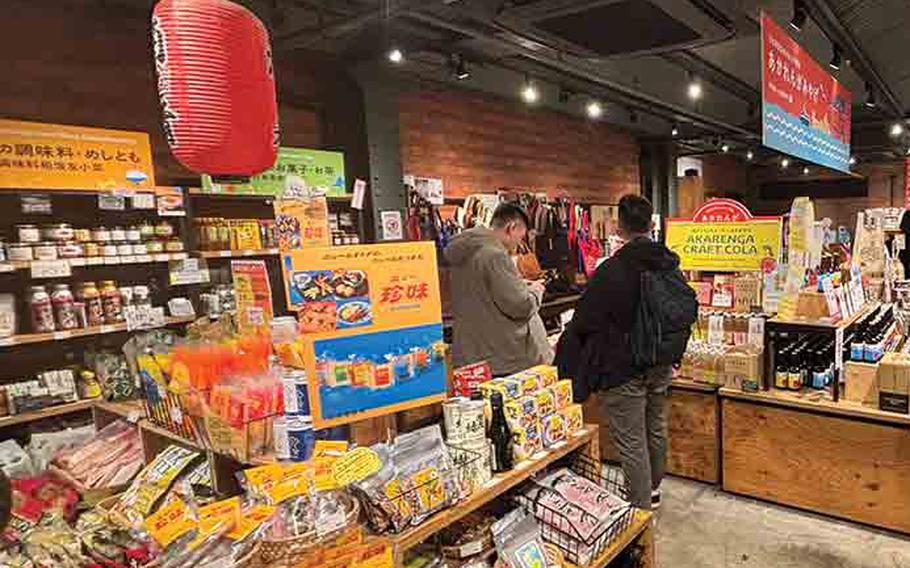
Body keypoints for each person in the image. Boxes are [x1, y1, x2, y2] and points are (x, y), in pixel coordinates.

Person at [557, 194, 695, 510]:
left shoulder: (611, 270)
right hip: (660, 362)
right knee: (655, 428)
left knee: (632, 441)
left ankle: (639, 509)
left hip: (623, 368)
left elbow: (586, 319)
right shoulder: (668, 265)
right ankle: (653, 491)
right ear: (651, 224)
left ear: (619, 226)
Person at [445, 203, 553, 376]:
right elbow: (521, 306)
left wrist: (518, 284)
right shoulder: (495, 255)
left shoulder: (463, 252)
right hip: (501, 357)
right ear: (511, 228)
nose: (519, 243)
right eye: (521, 237)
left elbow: (483, 293)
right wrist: (535, 290)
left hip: (471, 353)